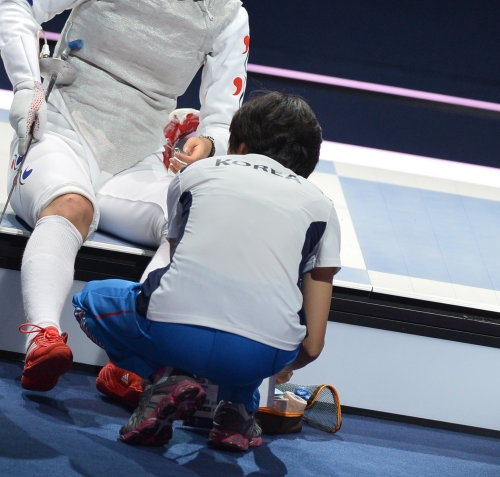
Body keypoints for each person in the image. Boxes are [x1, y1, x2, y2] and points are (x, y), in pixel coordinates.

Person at [0, 0, 271, 392]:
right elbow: (18, 3)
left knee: (196, 222)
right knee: (71, 204)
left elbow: (220, 113)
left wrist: (206, 142)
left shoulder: (230, 17)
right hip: (63, 127)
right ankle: (43, 337)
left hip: (140, 157)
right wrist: (27, 86)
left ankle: (133, 360)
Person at [72, 92, 341, 453]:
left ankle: (163, 380)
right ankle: (235, 414)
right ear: (308, 161)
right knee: (253, 327)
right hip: (259, 355)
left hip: (174, 334)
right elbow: (312, 344)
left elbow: (185, 273)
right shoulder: (322, 206)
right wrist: (277, 368)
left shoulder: (194, 174)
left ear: (240, 144)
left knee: (88, 300)